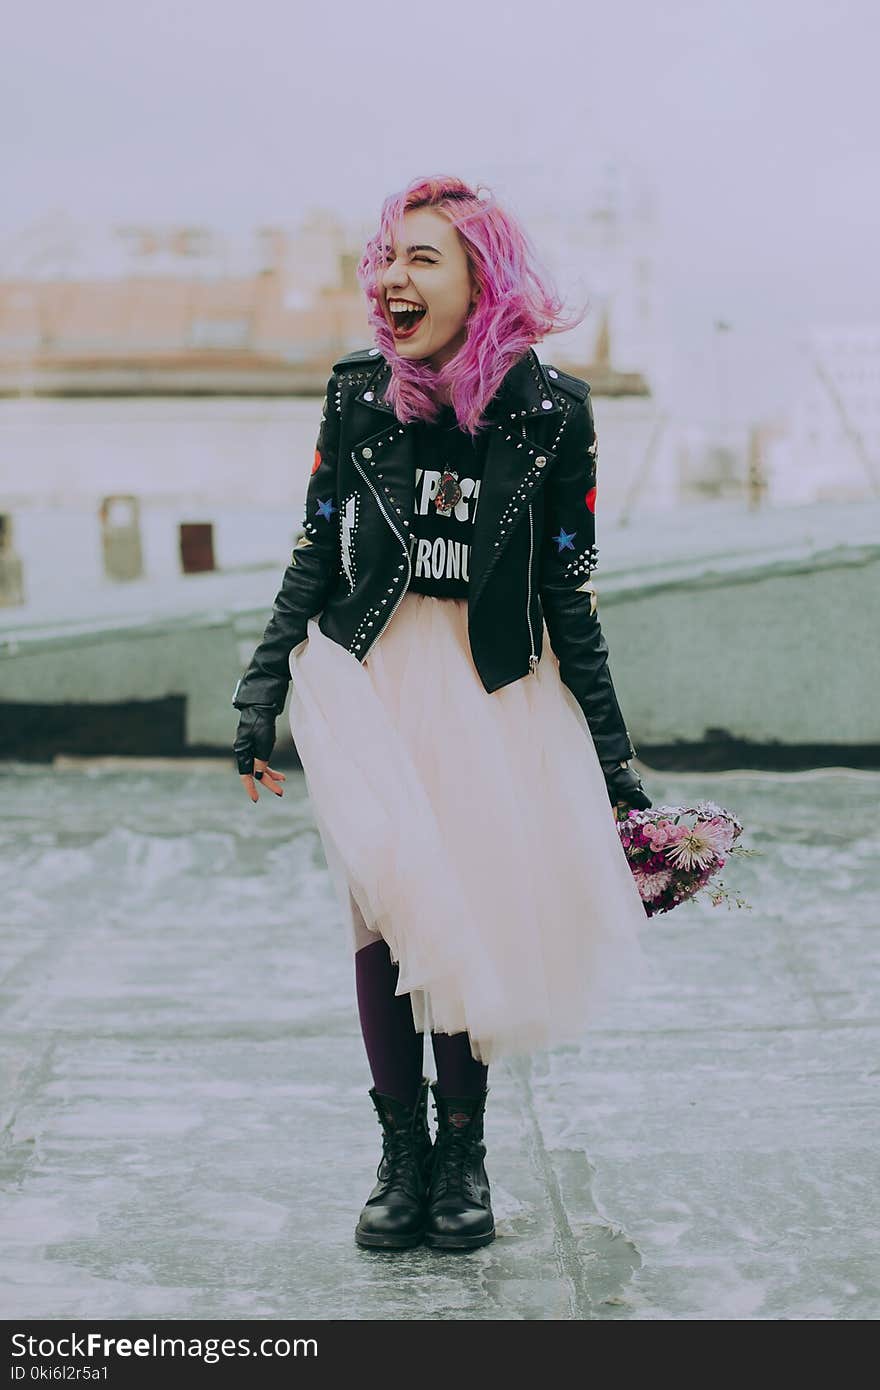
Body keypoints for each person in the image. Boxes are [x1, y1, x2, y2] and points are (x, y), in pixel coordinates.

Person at [231, 175, 653, 1254]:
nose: (391, 278)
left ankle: (463, 1152)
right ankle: (401, 1153)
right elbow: (316, 549)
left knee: (463, 914)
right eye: (386, 257)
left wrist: (613, 761)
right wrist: (262, 689)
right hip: (368, 676)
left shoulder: (554, 414)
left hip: (491, 684)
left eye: (421, 257)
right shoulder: (356, 396)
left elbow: (571, 589)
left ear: (481, 277)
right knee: (382, 915)